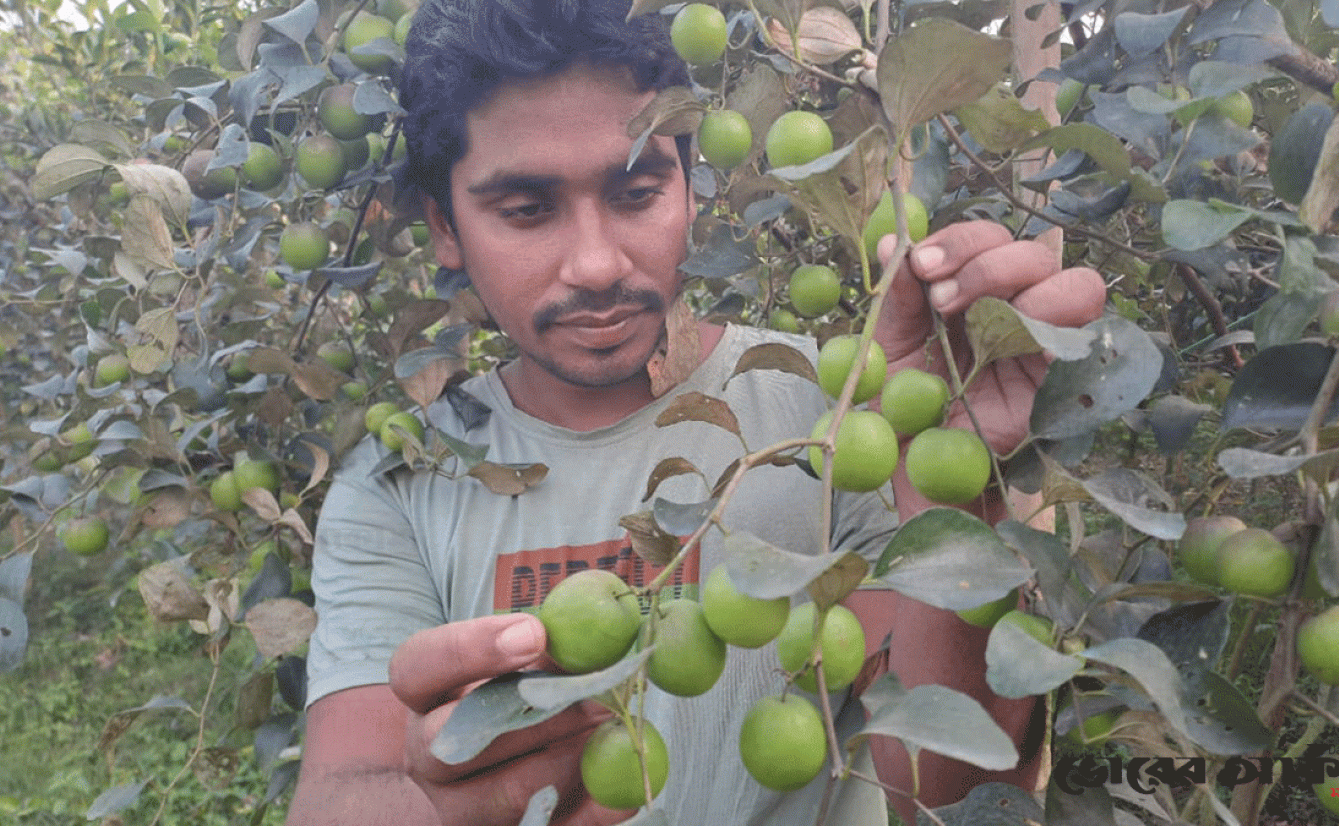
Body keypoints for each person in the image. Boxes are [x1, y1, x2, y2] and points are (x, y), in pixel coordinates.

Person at [286, 1, 1106, 825]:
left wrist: (956, 497)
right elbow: (341, 792)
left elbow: (946, 787)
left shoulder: (839, 419)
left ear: (690, 189)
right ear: (444, 227)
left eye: (637, 192)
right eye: (527, 210)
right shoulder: (397, 487)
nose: (596, 264)